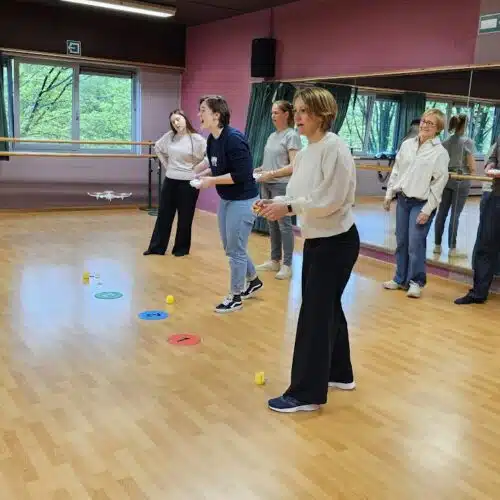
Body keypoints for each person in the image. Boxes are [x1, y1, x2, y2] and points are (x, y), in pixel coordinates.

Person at [256, 86, 360, 413]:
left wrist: (287, 208)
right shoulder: (306, 152)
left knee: (315, 315)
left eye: (304, 111)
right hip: (317, 240)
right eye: (297, 110)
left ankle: (305, 394)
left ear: (322, 115)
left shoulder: (335, 149)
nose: (297, 117)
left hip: (337, 242)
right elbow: (300, 194)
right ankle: (339, 373)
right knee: (326, 308)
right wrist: (276, 203)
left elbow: (330, 200)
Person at [196, 95, 263, 313]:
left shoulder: (234, 139)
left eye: (203, 110)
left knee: (235, 250)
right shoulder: (212, 139)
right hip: (227, 199)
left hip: (244, 200)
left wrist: (211, 181)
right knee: (231, 247)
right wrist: (201, 174)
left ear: (216, 115)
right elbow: (217, 166)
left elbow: (241, 174)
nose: (199, 114)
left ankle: (235, 296)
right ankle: (253, 280)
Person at [382, 109, 450, 298]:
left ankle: (415, 282)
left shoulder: (440, 153)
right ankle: (399, 278)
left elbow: (439, 185)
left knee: (415, 244)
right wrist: (389, 194)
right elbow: (396, 171)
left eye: (431, 123)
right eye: (424, 121)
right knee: (402, 241)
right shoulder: (407, 145)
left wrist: (427, 210)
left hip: (422, 203)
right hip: (403, 200)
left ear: (438, 129)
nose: (425, 125)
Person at [143, 109, 206, 257]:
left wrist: (196, 170)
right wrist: (167, 165)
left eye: (178, 119)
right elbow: (157, 148)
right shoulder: (170, 136)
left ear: (185, 118)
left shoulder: (196, 139)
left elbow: (209, 156)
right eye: (173, 122)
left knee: (185, 217)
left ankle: (181, 249)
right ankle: (157, 248)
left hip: (189, 183)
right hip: (170, 181)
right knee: (164, 215)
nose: (176, 123)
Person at [254, 100, 302, 280]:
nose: (272, 116)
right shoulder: (271, 136)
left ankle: (287, 265)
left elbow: (294, 166)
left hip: (281, 185)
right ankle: (274, 260)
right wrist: (261, 169)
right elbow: (271, 162)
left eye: (276, 112)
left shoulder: (292, 135)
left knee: (284, 225)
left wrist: (271, 173)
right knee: (271, 223)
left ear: (286, 114)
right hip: (266, 184)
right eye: (272, 113)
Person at [455, 135, 500, 304]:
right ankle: (478, 293)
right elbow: (494, 156)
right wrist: (491, 164)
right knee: (485, 244)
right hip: (497, 195)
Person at [433, 113, 475, 257]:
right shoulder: (468, 142)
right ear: (464, 125)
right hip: (461, 180)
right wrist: (472, 173)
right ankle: (452, 249)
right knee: (455, 215)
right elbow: (471, 165)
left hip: (447, 179)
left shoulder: (445, 142)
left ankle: (437, 246)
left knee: (442, 213)